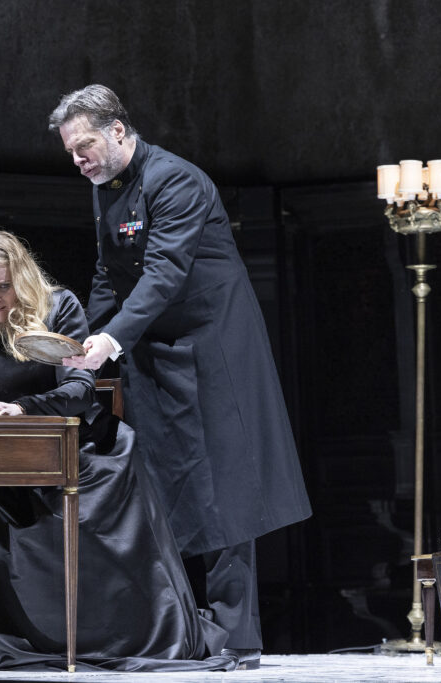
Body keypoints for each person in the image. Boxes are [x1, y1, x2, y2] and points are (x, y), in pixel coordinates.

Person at [48, 84, 312, 670]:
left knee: (225, 493)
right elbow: (110, 272)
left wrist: (111, 340)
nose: (78, 159)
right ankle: (179, 631)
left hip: (211, 348)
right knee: (164, 486)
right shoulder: (105, 185)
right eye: (70, 152)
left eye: (85, 146)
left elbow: (164, 273)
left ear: (118, 130)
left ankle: (237, 639)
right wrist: (81, 339)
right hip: (155, 351)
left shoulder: (177, 181)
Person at [0, 230, 233, 672]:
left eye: (4, 286)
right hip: (9, 467)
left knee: (77, 508)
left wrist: (21, 409)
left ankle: (110, 635)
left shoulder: (57, 307)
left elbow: (80, 390)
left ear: (21, 279)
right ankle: (13, 638)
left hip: (79, 453)